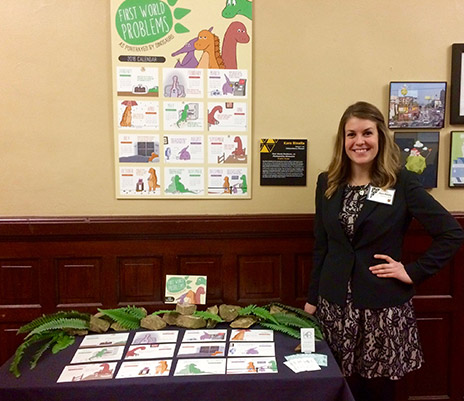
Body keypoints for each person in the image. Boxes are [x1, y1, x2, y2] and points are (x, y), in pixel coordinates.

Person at [304, 101, 464, 401]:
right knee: (338, 387)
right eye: (351, 134)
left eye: (367, 133)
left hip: (382, 310)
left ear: (380, 137)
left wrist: (413, 271)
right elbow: (322, 245)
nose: (359, 141)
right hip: (335, 307)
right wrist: (312, 299)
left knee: (378, 393)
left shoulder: (401, 183)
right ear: (343, 140)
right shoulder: (327, 183)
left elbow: (451, 233)